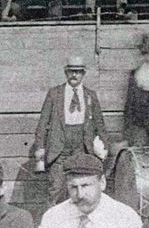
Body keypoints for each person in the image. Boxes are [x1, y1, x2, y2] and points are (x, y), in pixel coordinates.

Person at [34, 56, 108, 206]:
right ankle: (51, 226)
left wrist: (104, 148)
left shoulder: (90, 95)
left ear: (83, 74)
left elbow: (100, 125)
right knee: (56, 189)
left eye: (78, 72)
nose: (74, 75)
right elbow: (42, 124)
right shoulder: (55, 94)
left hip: (82, 148)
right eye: (71, 71)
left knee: (81, 190)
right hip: (59, 150)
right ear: (66, 73)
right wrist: (40, 148)